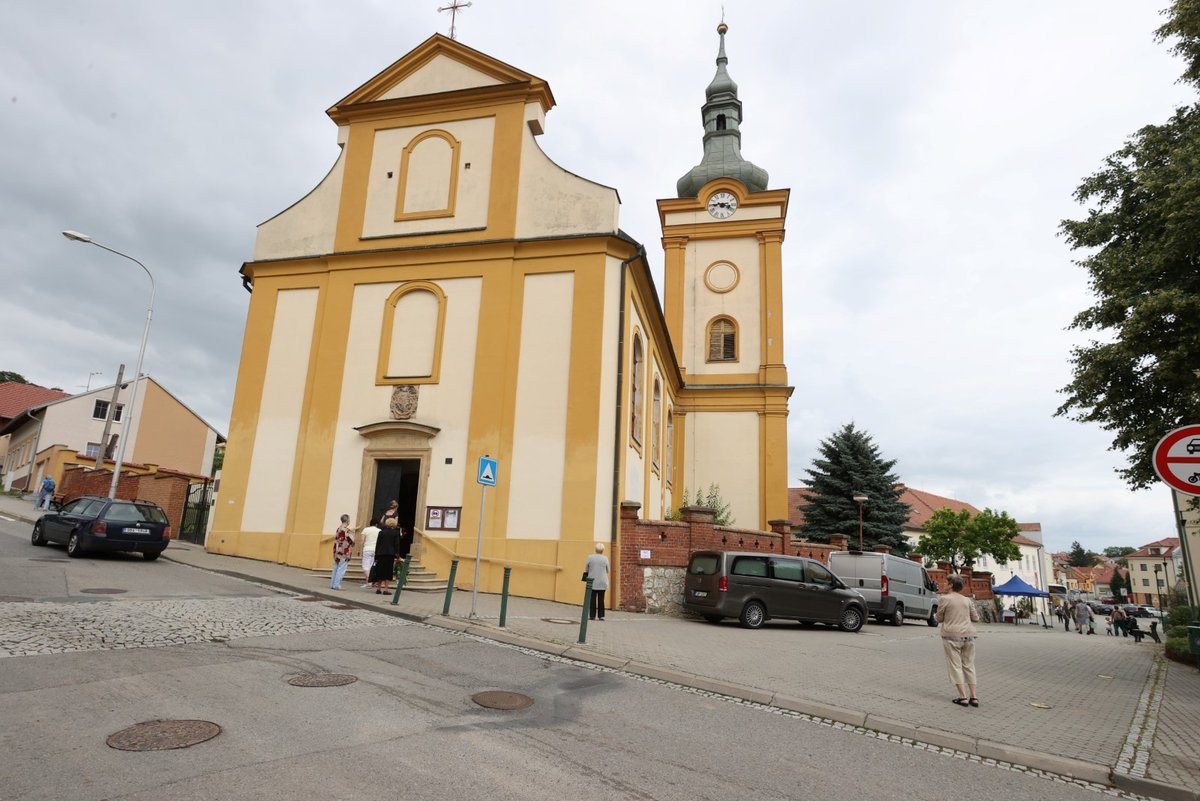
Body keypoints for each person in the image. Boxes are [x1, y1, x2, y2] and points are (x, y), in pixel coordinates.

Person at [935, 573, 980, 707]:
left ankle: (963, 697)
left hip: (952, 636)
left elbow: (939, 618)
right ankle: (974, 696)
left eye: (946, 582)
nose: (944, 584)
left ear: (951, 585)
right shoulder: (967, 600)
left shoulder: (945, 599)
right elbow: (976, 618)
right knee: (969, 665)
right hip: (969, 636)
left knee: (955, 666)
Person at [369, 518, 400, 594]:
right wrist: (397, 555)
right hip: (390, 554)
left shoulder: (381, 532)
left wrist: (376, 554)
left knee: (380, 570)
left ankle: (378, 589)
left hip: (380, 554)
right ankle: (386, 589)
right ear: (394, 524)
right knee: (388, 572)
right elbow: (396, 545)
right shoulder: (395, 533)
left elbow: (378, 544)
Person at [584, 543, 610, 621]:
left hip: (592, 581)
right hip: (602, 581)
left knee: (592, 599)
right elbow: (608, 570)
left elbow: (586, 568)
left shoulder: (590, 557)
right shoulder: (605, 558)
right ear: (603, 550)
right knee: (601, 599)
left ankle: (592, 615)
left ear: (595, 549)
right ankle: (601, 616)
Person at [330, 514, 354, 590]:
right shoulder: (347, 530)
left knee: (336, 568)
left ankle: (333, 584)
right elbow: (352, 541)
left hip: (337, 550)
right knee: (341, 569)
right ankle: (337, 585)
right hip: (344, 551)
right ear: (347, 521)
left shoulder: (338, 529)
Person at [358, 518, 381, 589]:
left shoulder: (365, 529)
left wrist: (359, 549)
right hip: (376, 550)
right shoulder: (379, 531)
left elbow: (362, 540)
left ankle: (369, 582)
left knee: (365, 566)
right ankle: (370, 582)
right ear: (377, 524)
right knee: (371, 567)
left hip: (367, 549)